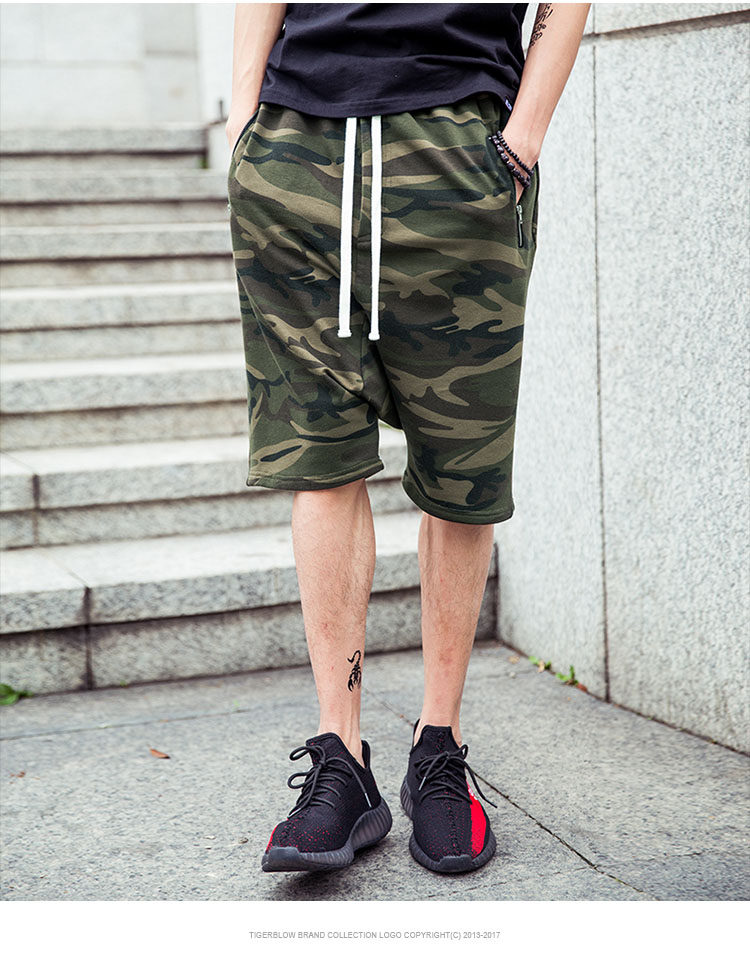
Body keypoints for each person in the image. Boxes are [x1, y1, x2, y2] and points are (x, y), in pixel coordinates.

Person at [227, 2, 590, 875]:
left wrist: (524, 134)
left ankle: (439, 746)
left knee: (464, 466)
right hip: (298, 149)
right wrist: (245, 126)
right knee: (319, 459)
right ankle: (340, 757)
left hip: (458, 150)